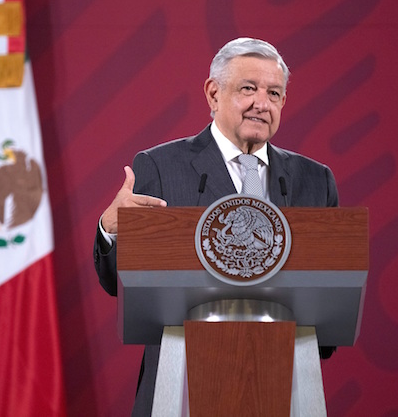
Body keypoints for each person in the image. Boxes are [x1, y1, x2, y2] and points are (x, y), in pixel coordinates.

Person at [93, 37, 338, 416]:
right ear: (213, 93)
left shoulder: (314, 180)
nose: (262, 103)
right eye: (248, 89)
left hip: (285, 383)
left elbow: (333, 294)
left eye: (274, 93)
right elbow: (117, 282)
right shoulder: (161, 166)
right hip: (184, 384)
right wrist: (111, 229)